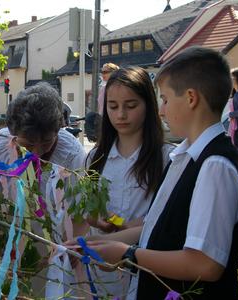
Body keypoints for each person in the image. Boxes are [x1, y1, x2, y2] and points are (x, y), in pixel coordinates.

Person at [67, 46, 238, 299]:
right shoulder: (185, 157)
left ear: (191, 98)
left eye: (164, 99)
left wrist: (126, 254)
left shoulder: (214, 165)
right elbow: (154, 226)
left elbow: (206, 264)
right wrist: (97, 244)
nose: (161, 110)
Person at [81, 66, 174, 298]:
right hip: (102, 273)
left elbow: (171, 216)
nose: (121, 115)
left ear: (148, 106)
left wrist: (140, 224)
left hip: (145, 268)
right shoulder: (95, 158)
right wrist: (95, 217)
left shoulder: (166, 158)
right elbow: (87, 209)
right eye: (113, 107)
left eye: (131, 106)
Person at [0, 83, 87, 298]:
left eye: (47, 142)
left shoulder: (71, 153)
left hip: (57, 246)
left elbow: (78, 211)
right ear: (14, 134)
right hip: (12, 241)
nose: (38, 152)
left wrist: (71, 250)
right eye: (29, 145)